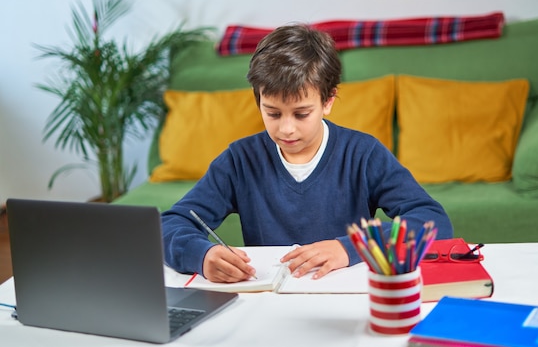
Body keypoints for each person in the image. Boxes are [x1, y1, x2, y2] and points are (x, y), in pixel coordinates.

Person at [161, 24, 453, 283]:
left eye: (301, 114)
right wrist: (201, 255)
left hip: (343, 300)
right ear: (258, 100)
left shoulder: (363, 154)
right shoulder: (240, 160)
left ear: (328, 101)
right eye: (273, 113)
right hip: (268, 306)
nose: (287, 129)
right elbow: (170, 224)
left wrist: (350, 247)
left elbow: (432, 221)